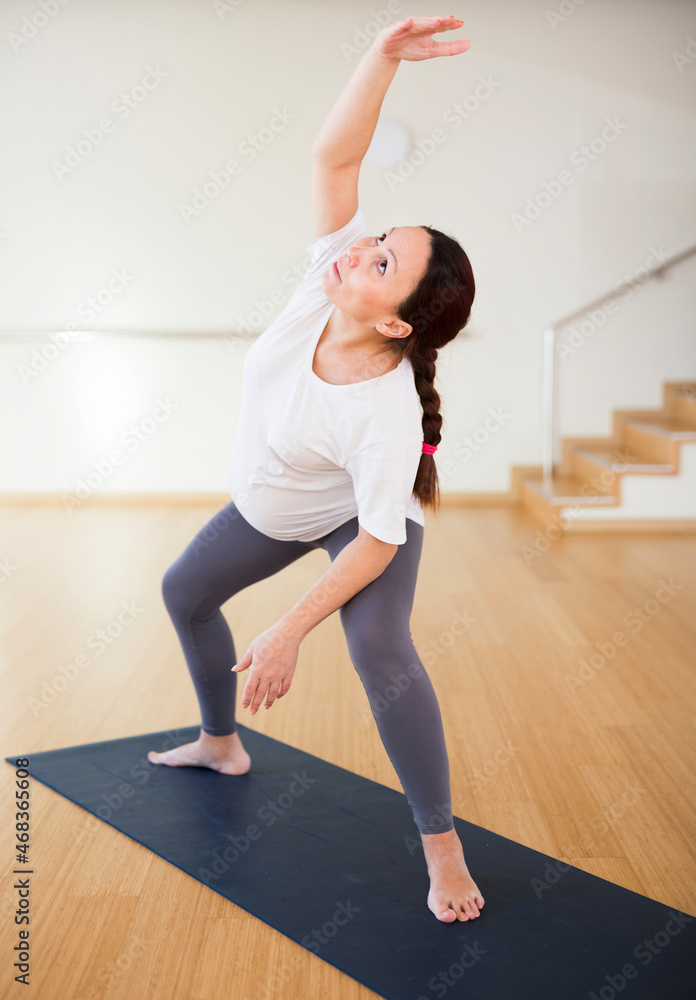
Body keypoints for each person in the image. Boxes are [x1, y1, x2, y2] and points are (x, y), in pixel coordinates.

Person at [148, 13, 484, 924]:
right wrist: (381, 57)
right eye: (379, 240)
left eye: (382, 260)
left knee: (378, 647)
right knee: (183, 592)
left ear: (398, 324)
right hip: (274, 504)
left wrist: (291, 627)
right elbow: (334, 161)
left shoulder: (386, 410)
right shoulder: (321, 285)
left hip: (360, 523)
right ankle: (223, 745)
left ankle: (442, 847)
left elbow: (376, 540)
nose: (358, 250)